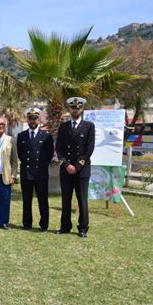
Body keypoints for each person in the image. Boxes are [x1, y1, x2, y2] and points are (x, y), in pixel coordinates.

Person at [56, 97, 95, 238]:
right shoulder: (63, 127)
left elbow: (89, 149)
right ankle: (65, 226)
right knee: (66, 199)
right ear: (69, 109)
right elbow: (59, 149)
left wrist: (77, 166)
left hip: (81, 170)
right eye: (73, 108)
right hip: (66, 170)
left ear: (82, 109)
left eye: (77, 108)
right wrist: (66, 165)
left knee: (82, 200)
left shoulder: (89, 126)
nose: (75, 110)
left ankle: (83, 228)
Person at [17, 108, 54, 231]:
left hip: (40, 173)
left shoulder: (46, 136)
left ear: (39, 119)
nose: (32, 121)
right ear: (27, 120)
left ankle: (44, 224)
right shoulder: (21, 136)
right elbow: (20, 153)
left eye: (34, 118)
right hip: (26, 172)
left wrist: (42, 166)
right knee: (26, 200)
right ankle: (27, 224)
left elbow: (49, 154)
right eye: (30, 118)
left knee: (42, 200)